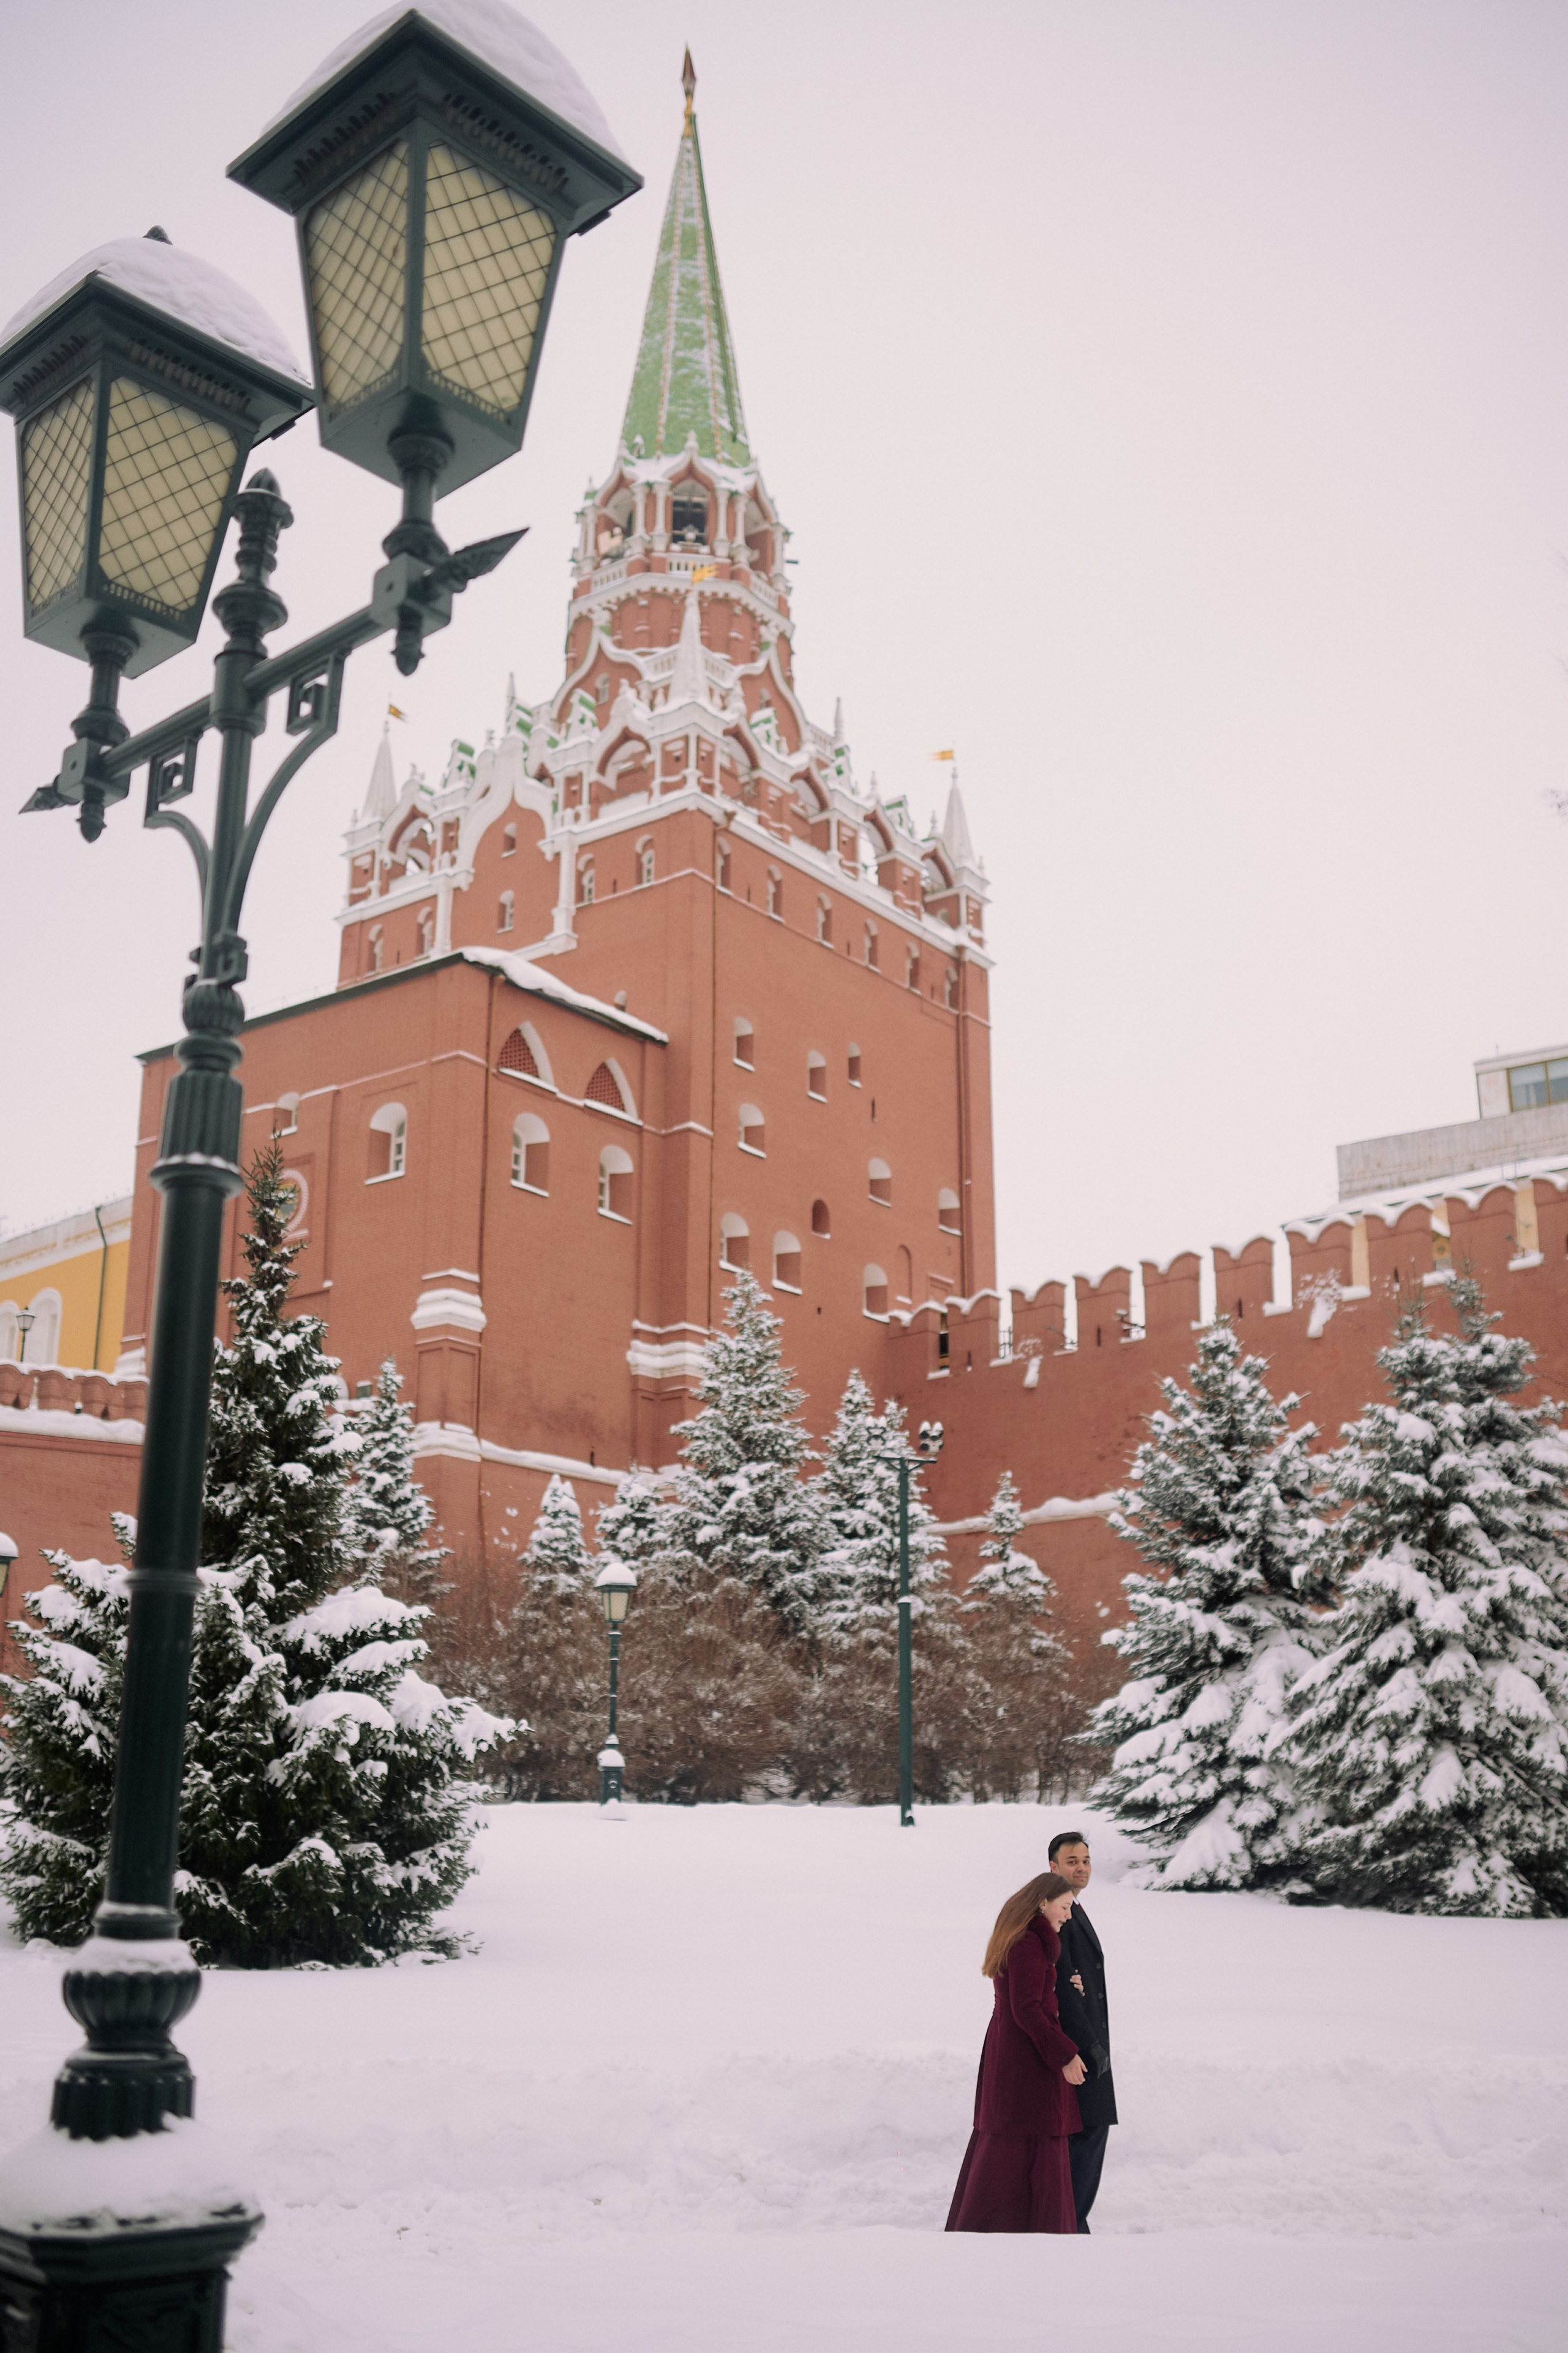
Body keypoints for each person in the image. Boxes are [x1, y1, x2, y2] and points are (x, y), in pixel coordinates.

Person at [944, 1872, 1087, 2234]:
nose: (1068, 1915)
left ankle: (1002, 2226)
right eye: (1065, 1906)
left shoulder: (1027, 1941)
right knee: (1027, 2135)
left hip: (1015, 2051)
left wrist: (1063, 1988)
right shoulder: (1028, 1943)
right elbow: (1027, 2009)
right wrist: (1065, 2055)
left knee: (1012, 2137)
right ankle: (1028, 2229)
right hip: (1026, 2057)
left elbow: (1030, 1999)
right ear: (1043, 1902)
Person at [1049, 1829, 1117, 2233]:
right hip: (1079, 2048)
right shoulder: (1059, 1915)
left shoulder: (1075, 1908)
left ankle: (1071, 2219)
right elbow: (1060, 1985)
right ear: (1053, 1867)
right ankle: (1070, 2221)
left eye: (1086, 1860)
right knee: (1086, 2132)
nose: (1081, 1867)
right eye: (1072, 1861)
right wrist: (1086, 2048)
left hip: (1089, 2043)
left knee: (1089, 2132)